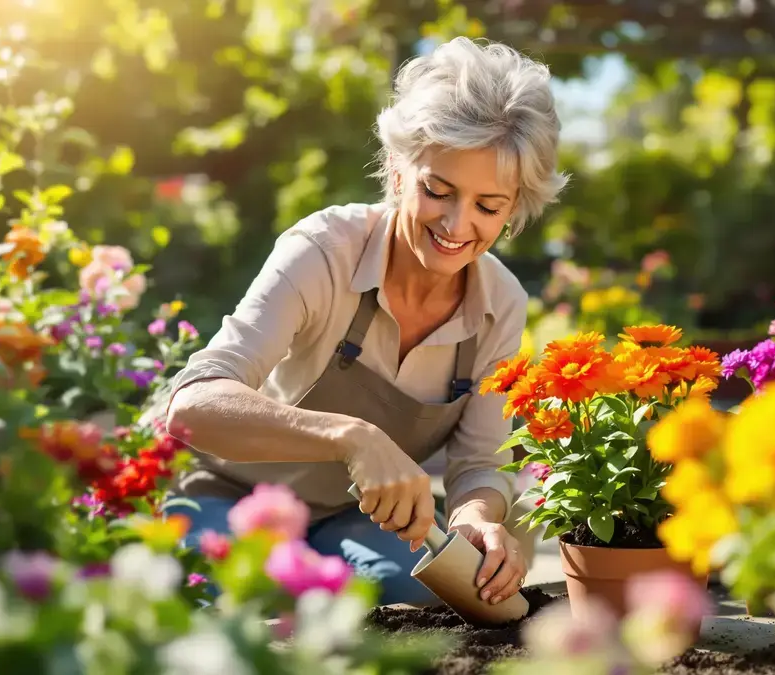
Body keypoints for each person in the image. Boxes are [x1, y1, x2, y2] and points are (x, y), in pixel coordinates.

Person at [155, 37, 567, 607]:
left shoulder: (501, 302)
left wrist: (476, 519)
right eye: (437, 190)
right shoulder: (323, 252)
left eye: (488, 206)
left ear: (515, 206)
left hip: (350, 520)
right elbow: (192, 406)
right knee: (231, 595)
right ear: (399, 173)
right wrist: (349, 437)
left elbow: (478, 461)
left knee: (444, 602)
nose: (457, 223)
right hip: (227, 493)